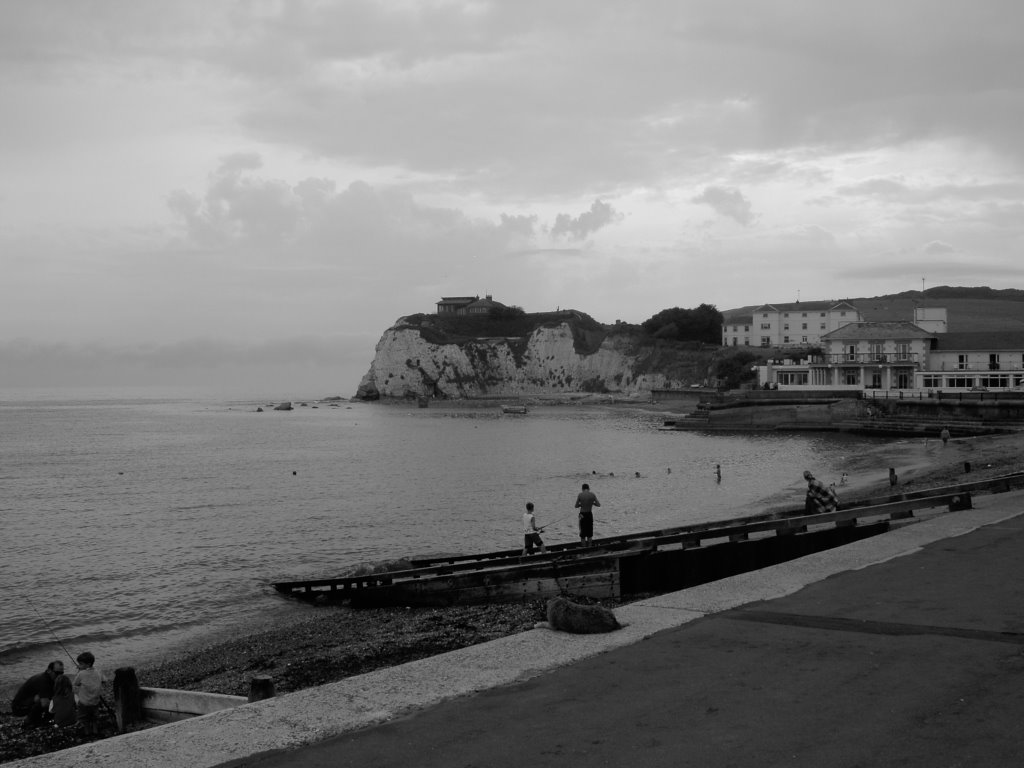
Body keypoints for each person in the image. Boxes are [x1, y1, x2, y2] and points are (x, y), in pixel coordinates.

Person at [11, 660, 64, 728]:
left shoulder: (52, 679)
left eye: (61, 673)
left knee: (50, 699)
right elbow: (45, 704)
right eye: (57, 673)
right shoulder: (43, 681)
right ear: (49, 671)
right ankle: (29, 721)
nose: (59, 676)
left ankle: (42, 719)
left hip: (28, 703)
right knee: (42, 700)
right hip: (19, 708)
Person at [73, 651, 105, 737]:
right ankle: (95, 731)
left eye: (81, 664)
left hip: (84, 702)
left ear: (88, 664)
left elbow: (75, 683)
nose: (79, 666)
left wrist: (80, 673)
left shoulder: (81, 674)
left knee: (85, 718)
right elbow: (104, 680)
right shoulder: (98, 672)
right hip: (95, 701)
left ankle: (87, 732)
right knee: (94, 717)